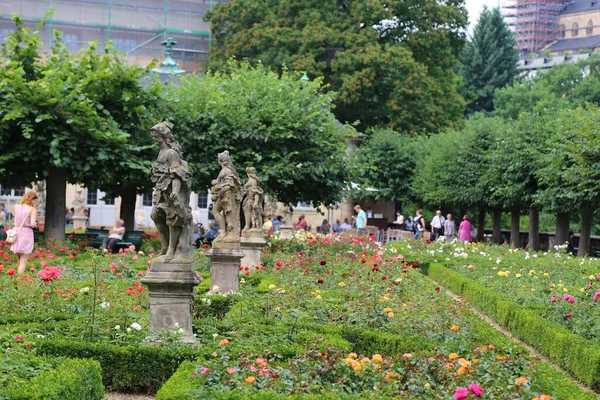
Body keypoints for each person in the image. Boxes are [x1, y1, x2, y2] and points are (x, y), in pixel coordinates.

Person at [11, 191, 37, 274]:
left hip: (16, 232)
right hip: (26, 233)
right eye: (34, 200)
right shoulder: (32, 209)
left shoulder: (16, 206)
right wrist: (36, 224)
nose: (35, 202)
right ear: (31, 199)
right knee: (23, 261)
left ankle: (18, 278)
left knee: (20, 260)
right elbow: (33, 224)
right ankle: (19, 280)